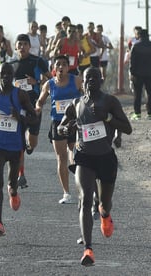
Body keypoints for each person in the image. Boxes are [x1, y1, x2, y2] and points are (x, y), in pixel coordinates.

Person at [57, 66, 132, 266]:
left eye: (95, 77)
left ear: (101, 79)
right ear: (83, 81)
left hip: (106, 157)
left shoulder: (110, 101)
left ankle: (105, 214)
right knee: (84, 199)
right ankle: (88, 249)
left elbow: (127, 128)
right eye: (87, 77)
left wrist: (106, 117)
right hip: (84, 157)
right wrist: (66, 128)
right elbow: (61, 127)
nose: (91, 81)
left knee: (104, 204)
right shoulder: (75, 103)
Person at [0, 62, 38, 236]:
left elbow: (34, 118)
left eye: (8, 74)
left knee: (12, 184)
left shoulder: (20, 95)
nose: (5, 76)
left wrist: (19, 117)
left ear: (13, 76)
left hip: (15, 147)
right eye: (2, 73)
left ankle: (13, 192)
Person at [35, 55, 83, 204]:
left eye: (64, 64)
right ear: (54, 68)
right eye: (58, 65)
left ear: (68, 67)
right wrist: (37, 108)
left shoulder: (76, 80)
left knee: (76, 156)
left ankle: (82, 190)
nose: (61, 67)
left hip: (74, 122)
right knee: (61, 158)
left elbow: (86, 96)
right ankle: (66, 193)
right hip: (58, 124)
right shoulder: (49, 85)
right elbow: (40, 101)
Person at [12, 34, 52, 187]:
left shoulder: (37, 61)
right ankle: (21, 175)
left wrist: (36, 82)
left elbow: (50, 79)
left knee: (32, 142)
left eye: (25, 44)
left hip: (34, 104)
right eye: (19, 44)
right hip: (16, 106)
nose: (22, 47)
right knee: (19, 142)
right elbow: (4, 82)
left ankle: (30, 146)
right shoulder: (11, 63)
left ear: (29, 46)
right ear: (16, 46)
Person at [129, 29, 151, 120]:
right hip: (150, 72)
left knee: (137, 94)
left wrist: (132, 72)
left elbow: (132, 61)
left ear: (139, 36)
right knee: (150, 93)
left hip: (137, 73)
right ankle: (150, 114)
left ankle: (137, 114)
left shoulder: (135, 46)